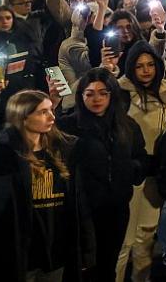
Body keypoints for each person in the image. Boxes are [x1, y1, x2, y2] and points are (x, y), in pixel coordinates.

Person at [0, 79, 93, 281]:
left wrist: (86, 251)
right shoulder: (1, 152)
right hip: (17, 259)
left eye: (51, 109)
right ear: (23, 118)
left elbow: (79, 206)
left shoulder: (62, 150)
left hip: (55, 257)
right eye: (42, 112)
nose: (52, 115)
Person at [57, 68, 148, 282]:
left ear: (112, 95)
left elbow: (141, 157)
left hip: (116, 209)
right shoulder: (70, 126)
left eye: (102, 93)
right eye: (89, 94)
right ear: (81, 97)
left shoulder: (127, 126)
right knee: (82, 269)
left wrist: (130, 170)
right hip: (82, 212)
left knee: (108, 265)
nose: (96, 99)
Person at [115, 40, 166, 282]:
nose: (146, 70)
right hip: (128, 176)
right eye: (139, 66)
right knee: (124, 241)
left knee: (146, 237)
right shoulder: (119, 92)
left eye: (151, 64)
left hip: (155, 176)